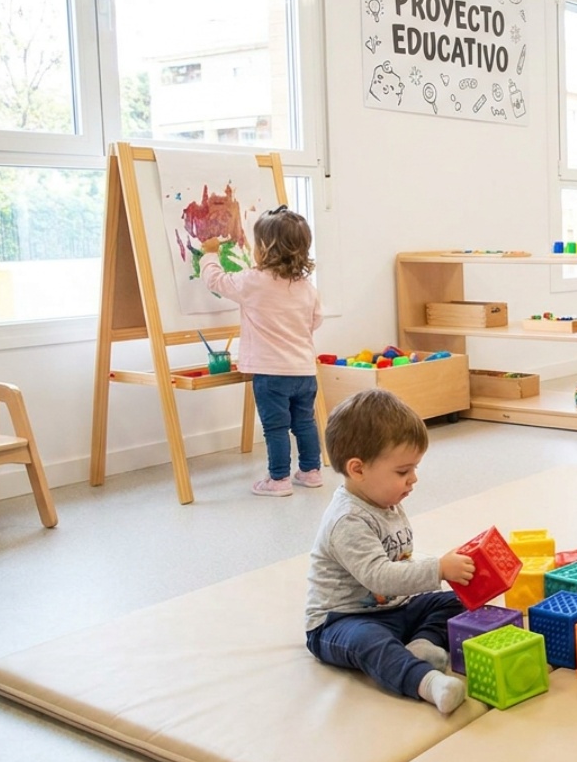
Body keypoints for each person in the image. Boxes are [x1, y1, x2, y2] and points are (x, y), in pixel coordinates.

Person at [302, 389, 475, 713]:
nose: (413, 479)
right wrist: (437, 569)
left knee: (454, 600)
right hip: (342, 621)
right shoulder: (348, 519)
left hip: (393, 609)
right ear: (358, 469)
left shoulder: (385, 500)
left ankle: (422, 645)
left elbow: (397, 560)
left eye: (414, 468)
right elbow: (380, 577)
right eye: (402, 471)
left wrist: (443, 570)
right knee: (370, 643)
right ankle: (427, 683)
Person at [200, 206, 324, 497]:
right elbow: (315, 321)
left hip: (271, 375)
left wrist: (209, 254)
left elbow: (216, 281)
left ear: (265, 249)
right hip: (304, 371)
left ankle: (278, 480)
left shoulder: (252, 281)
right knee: (304, 422)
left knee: (276, 428)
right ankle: (311, 471)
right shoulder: (306, 287)